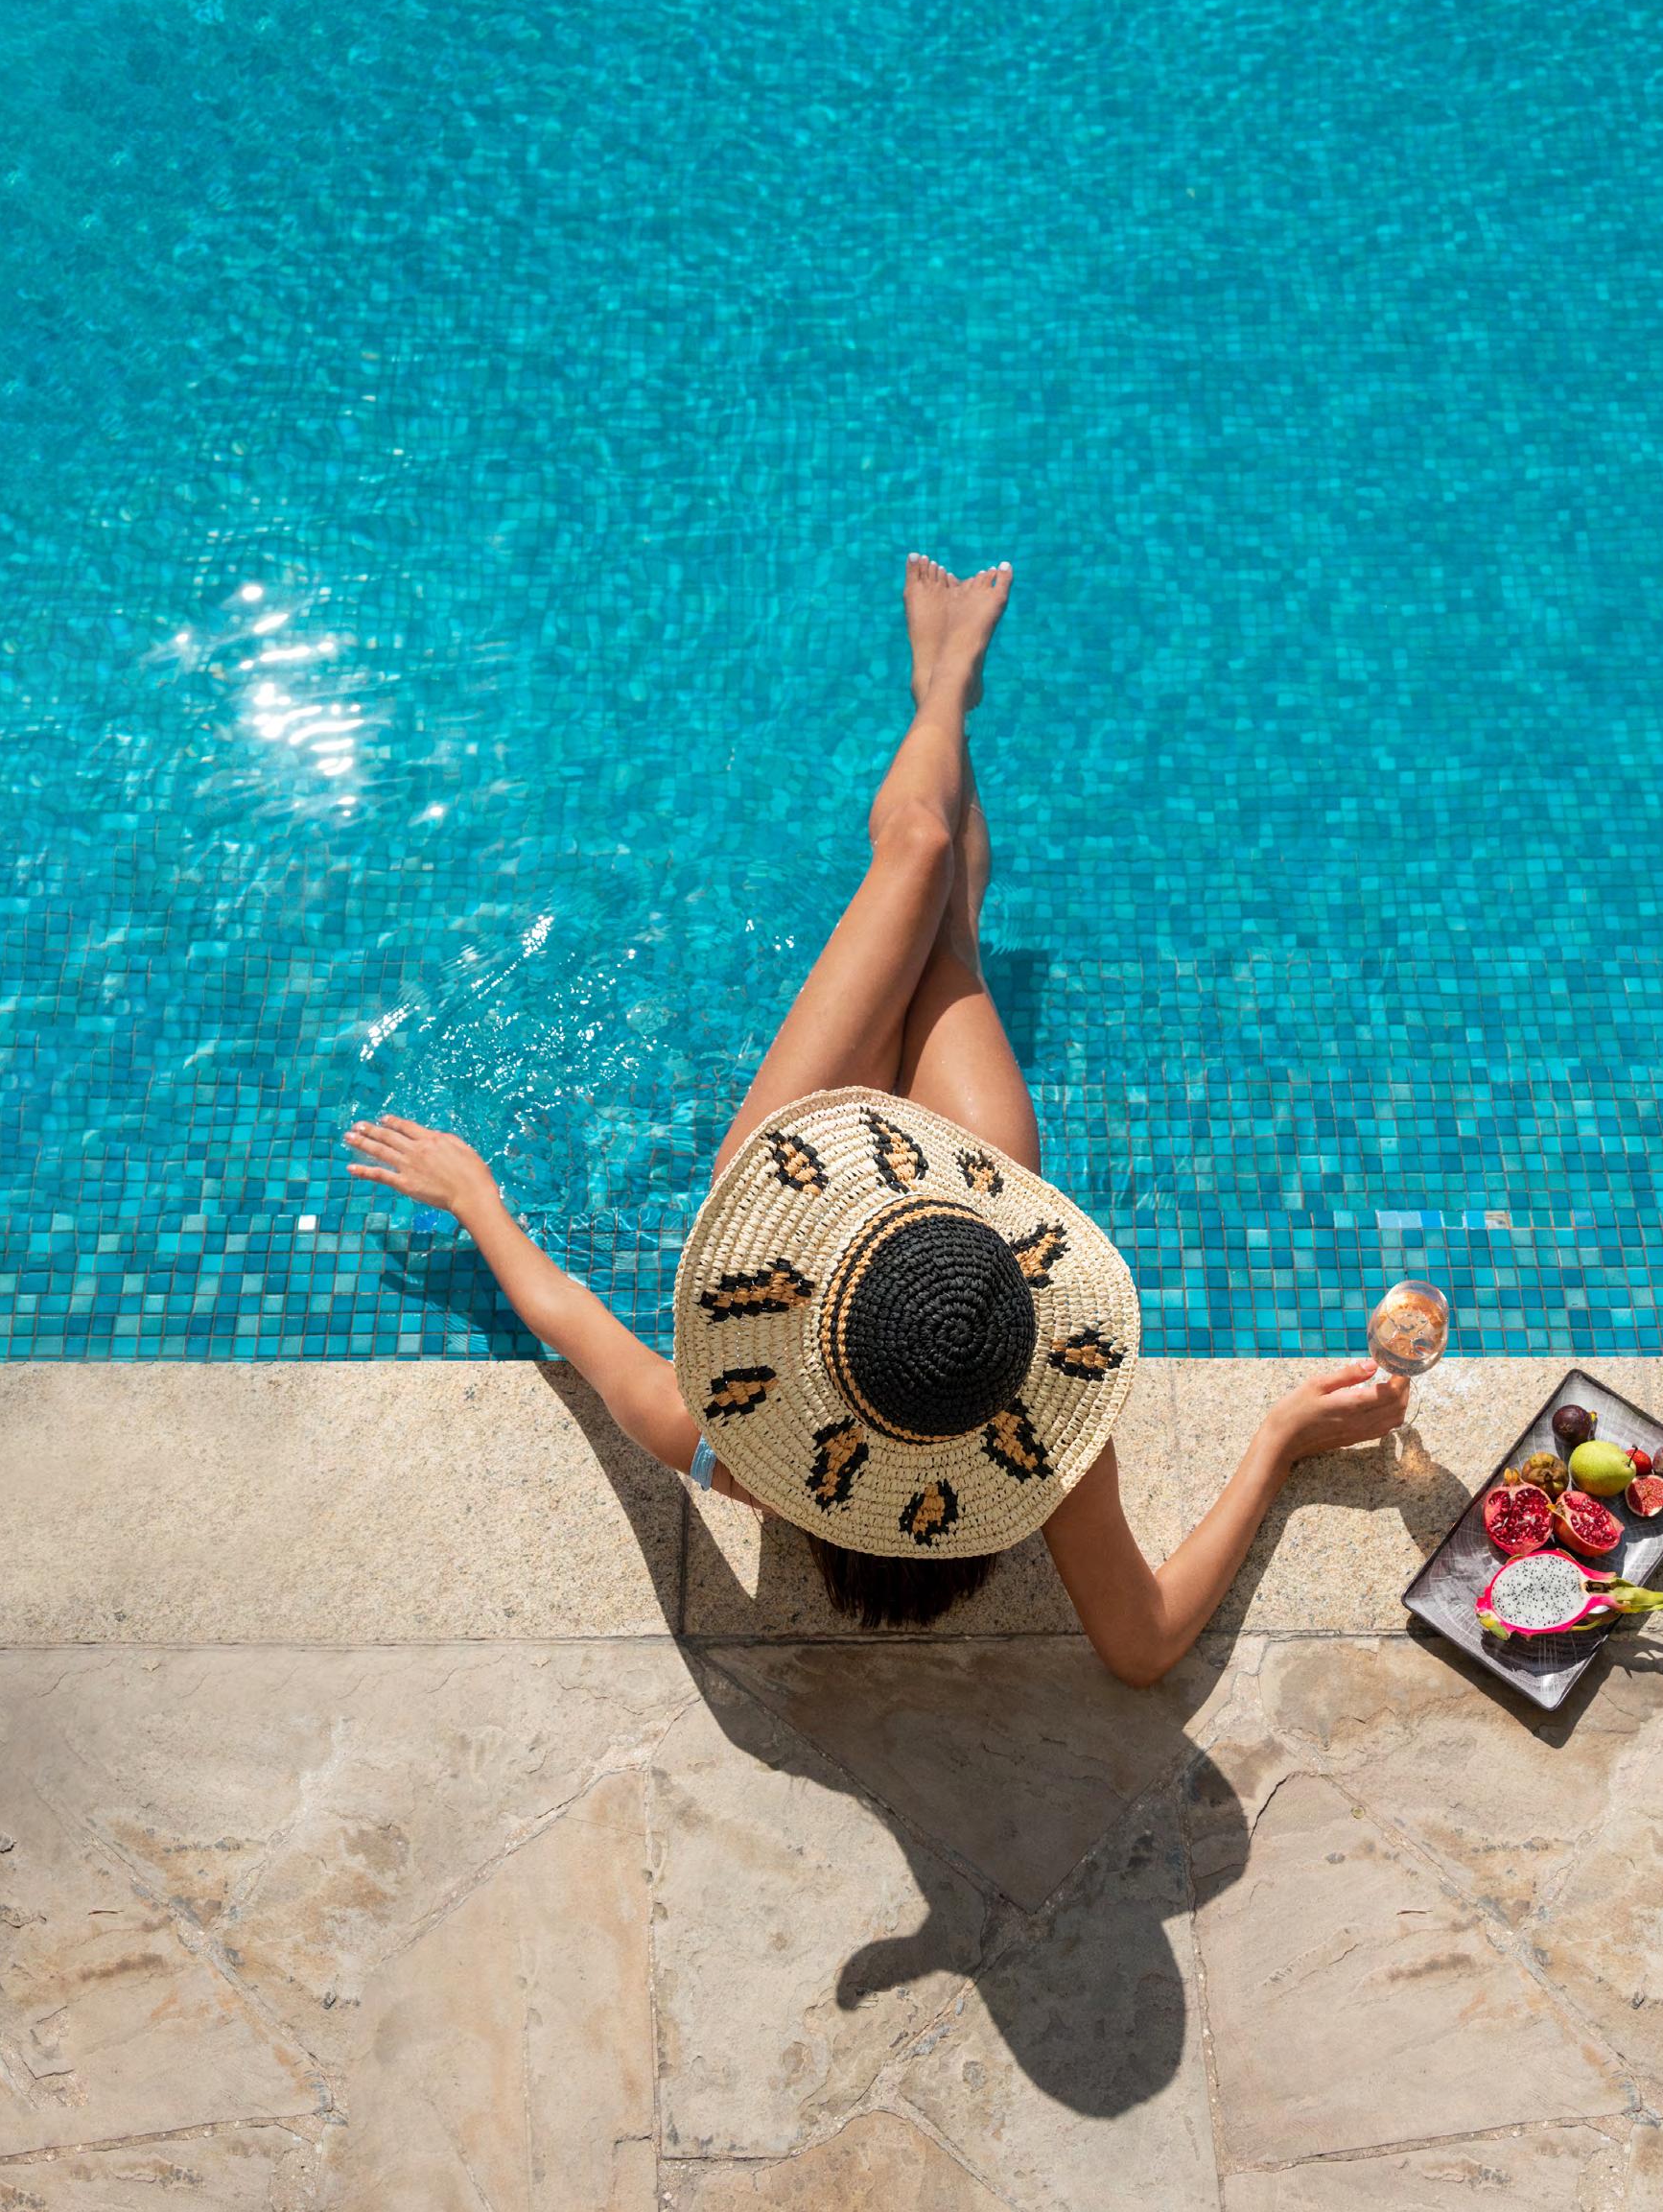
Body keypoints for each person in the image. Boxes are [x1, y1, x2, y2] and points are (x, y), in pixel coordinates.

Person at [346, 555, 1408, 1686]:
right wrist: (1275, 1446)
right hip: (955, 1228)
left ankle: (943, 686)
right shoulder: (1031, 1436)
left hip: (811, 1184)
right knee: (947, 928)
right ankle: (947, 687)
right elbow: (1138, 1647)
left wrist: (476, 1201)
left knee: (918, 852)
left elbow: (570, 1321)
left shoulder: (718, 1435)